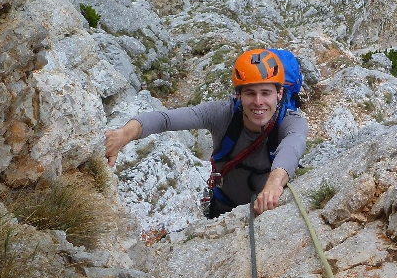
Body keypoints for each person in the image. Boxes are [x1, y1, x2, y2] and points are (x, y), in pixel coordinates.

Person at [105, 49, 308, 216]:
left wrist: (274, 183)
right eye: (250, 93)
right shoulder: (222, 114)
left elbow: (292, 146)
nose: (258, 102)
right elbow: (165, 119)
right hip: (222, 209)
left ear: (279, 94)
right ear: (238, 95)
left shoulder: (292, 122)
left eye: (266, 93)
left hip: (270, 210)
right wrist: (123, 134)